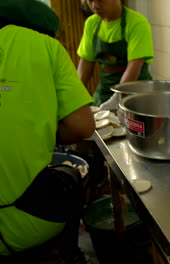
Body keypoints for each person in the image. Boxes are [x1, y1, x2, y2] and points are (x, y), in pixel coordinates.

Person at [0, 1, 95, 263]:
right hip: (26, 222)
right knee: (70, 177)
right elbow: (82, 127)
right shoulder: (44, 46)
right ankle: (70, 256)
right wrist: (39, 134)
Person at [78, 0, 154, 108]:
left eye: (100, 0)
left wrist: (117, 98)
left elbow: (134, 66)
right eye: (90, 0)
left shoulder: (137, 23)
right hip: (104, 95)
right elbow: (85, 63)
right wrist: (75, 96)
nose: (95, 6)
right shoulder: (91, 24)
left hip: (135, 97)